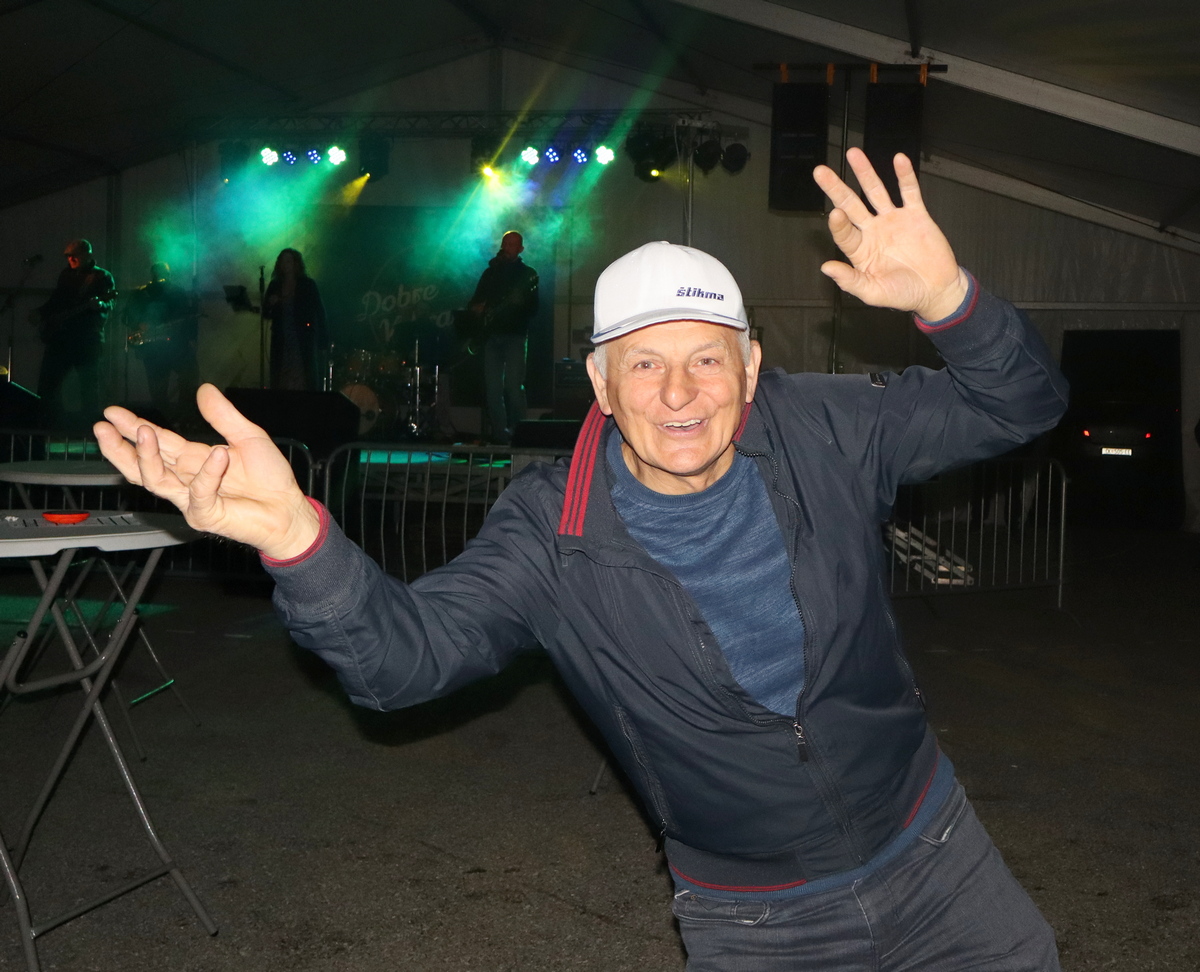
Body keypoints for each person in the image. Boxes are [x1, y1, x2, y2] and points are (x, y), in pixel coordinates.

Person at [94, 150, 1068, 971]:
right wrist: (296, 540)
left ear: (750, 368)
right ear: (600, 382)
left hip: (940, 857)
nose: (679, 393)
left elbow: (1023, 404)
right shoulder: (549, 534)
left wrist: (950, 299)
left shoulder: (827, 428)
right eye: (644, 363)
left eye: (707, 358)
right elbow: (401, 664)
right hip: (761, 922)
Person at [31, 238, 115, 428]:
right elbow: (56, 301)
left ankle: (90, 428)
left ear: (87, 254)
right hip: (61, 338)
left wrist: (100, 305)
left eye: (74, 256)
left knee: (88, 385)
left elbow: (110, 302)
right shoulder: (66, 275)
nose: (70, 259)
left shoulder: (102, 276)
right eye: (68, 256)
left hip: (87, 339)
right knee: (48, 382)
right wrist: (40, 313)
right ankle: (50, 423)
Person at [468, 230, 539, 443]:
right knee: (492, 390)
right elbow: (474, 302)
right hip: (491, 337)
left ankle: (520, 435)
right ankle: (500, 436)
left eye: (512, 244)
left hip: (515, 336)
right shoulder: (490, 273)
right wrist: (478, 308)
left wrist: (520, 303)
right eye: (505, 243)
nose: (508, 247)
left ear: (520, 249)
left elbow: (534, 308)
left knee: (514, 387)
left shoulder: (528, 274)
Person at [125, 262, 199, 425]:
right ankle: (169, 421)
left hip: (173, 346)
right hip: (158, 348)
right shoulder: (143, 293)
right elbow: (127, 316)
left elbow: (185, 317)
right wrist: (140, 324)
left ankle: (178, 419)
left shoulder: (174, 292)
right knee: (160, 388)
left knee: (186, 379)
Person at [264, 248, 327, 391]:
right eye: (283, 261)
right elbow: (266, 313)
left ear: (296, 263)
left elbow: (319, 312)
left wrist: (323, 340)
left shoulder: (307, 284)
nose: (285, 264)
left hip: (302, 337)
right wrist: (271, 303)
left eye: (289, 261)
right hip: (281, 338)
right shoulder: (275, 285)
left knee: (303, 375)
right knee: (281, 376)